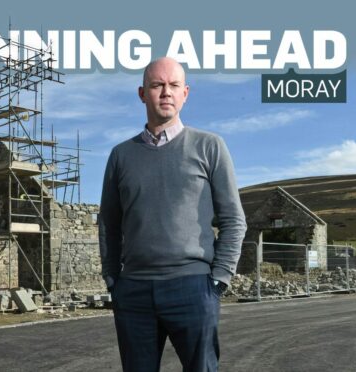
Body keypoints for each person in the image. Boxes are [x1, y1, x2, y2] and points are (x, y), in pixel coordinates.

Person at [99, 57, 247, 372]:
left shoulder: (210, 147)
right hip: (134, 290)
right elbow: (109, 224)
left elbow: (234, 220)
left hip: (193, 287)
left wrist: (219, 279)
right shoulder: (120, 156)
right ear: (142, 93)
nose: (166, 92)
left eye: (173, 85)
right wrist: (114, 280)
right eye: (157, 85)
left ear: (185, 94)